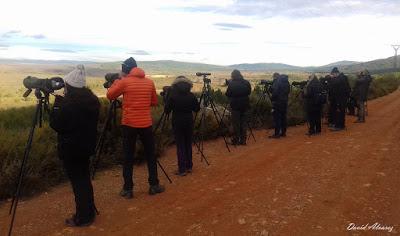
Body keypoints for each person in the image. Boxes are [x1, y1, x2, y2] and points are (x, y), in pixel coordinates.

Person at [107, 57, 165, 199]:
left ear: (126, 70)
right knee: (151, 155)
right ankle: (154, 185)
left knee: (128, 156)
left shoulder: (124, 82)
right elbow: (154, 102)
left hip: (129, 124)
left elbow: (110, 95)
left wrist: (117, 80)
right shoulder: (149, 82)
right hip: (146, 123)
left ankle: (128, 189)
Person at [49, 65, 100, 227]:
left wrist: (56, 105)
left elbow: (57, 125)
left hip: (72, 149)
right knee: (84, 179)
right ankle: (89, 211)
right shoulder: (92, 101)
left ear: (69, 86)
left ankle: (83, 217)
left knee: (78, 183)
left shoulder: (68, 105)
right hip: (86, 147)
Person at [165, 76, 200, 176]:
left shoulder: (173, 95)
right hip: (189, 120)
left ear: (175, 85)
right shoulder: (191, 95)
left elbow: (167, 110)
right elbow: (197, 109)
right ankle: (189, 166)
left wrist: (167, 98)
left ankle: (182, 169)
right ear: (189, 85)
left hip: (177, 120)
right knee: (188, 143)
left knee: (180, 145)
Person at [225, 69, 252, 145]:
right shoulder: (246, 82)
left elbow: (227, 94)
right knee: (243, 123)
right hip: (245, 105)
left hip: (235, 106)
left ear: (233, 76)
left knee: (236, 124)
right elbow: (249, 92)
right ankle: (243, 141)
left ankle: (236, 140)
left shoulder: (232, 84)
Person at [269, 73, 290, 138]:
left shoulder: (277, 82)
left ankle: (277, 134)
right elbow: (288, 91)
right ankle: (283, 133)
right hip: (284, 102)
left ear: (275, 77)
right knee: (283, 118)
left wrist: (272, 98)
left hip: (277, 102)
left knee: (277, 118)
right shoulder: (287, 82)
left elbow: (275, 92)